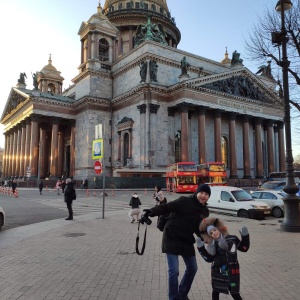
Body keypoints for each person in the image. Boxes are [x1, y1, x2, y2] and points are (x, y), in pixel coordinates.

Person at [142, 184, 211, 300]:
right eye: (201, 193)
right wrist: (152, 212)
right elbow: (167, 207)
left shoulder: (205, 211)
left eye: (206, 194)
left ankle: (182, 294)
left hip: (186, 240)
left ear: (208, 197)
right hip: (172, 237)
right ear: (197, 193)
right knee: (174, 271)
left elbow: (198, 228)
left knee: (193, 268)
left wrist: (206, 238)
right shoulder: (184, 201)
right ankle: (173, 298)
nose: (203, 196)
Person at [196, 217, 250, 300]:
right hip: (218, 271)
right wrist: (201, 248)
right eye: (211, 233)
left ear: (219, 229)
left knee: (235, 292)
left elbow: (244, 248)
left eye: (214, 230)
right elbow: (209, 259)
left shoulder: (232, 238)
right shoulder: (212, 245)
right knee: (216, 291)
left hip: (232, 271)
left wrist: (245, 236)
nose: (213, 233)